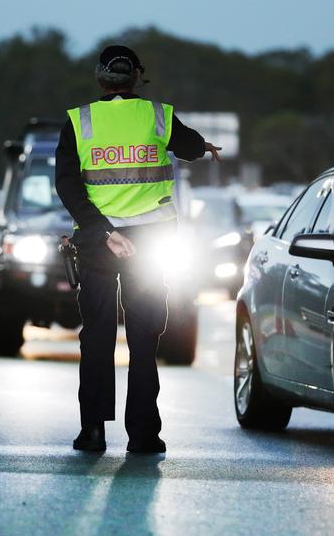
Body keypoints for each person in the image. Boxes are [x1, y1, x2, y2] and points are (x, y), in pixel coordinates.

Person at [55, 45, 221, 453]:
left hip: (99, 243)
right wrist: (206, 147)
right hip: (151, 243)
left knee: (96, 337)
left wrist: (102, 231)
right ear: (137, 78)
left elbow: (67, 185)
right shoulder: (158, 115)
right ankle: (144, 434)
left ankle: (93, 431)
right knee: (144, 339)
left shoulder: (79, 122)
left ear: (99, 77)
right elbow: (190, 147)